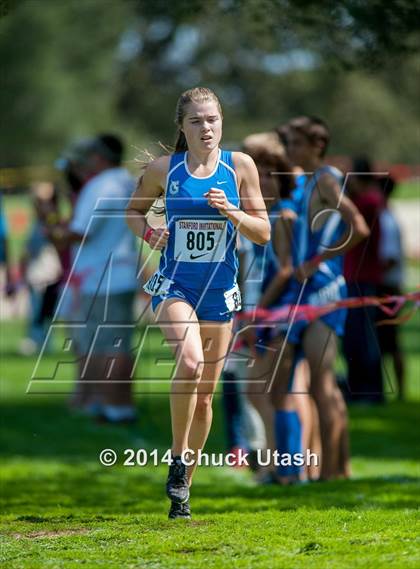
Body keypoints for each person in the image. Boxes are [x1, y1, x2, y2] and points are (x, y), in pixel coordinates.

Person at [126, 87, 270, 519]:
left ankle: (184, 485)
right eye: (196, 121)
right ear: (182, 126)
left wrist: (232, 211)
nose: (206, 128)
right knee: (188, 363)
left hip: (220, 292)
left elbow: (262, 231)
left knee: (206, 397)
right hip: (175, 286)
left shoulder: (239, 166)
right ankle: (176, 457)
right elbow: (133, 212)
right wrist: (151, 234)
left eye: (212, 119)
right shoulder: (163, 170)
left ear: (222, 121)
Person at [266, 117, 370, 480]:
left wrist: (318, 260)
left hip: (324, 291)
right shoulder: (308, 182)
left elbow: (359, 227)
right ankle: (329, 468)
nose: (290, 150)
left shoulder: (326, 178)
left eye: (295, 143)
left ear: (316, 146)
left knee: (321, 384)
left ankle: (333, 472)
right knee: (301, 383)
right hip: (302, 293)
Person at [50, 134, 139, 423]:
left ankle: (115, 408)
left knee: (107, 346)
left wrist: (53, 228)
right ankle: (112, 405)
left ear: (99, 158)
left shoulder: (102, 185)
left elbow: (81, 232)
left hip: (103, 278)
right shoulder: (124, 180)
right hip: (118, 274)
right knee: (113, 344)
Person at [343, 157, 386, 403]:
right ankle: (361, 389)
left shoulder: (367, 202)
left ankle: (370, 391)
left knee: (364, 340)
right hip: (359, 277)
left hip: (363, 277)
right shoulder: (370, 200)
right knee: (357, 338)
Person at [377, 175, 405, 400]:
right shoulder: (388, 216)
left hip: (386, 287)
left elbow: (390, 258)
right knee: (387, 340)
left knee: (390, 341)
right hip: (388, 285)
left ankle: (400, 390)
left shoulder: (385, 219)